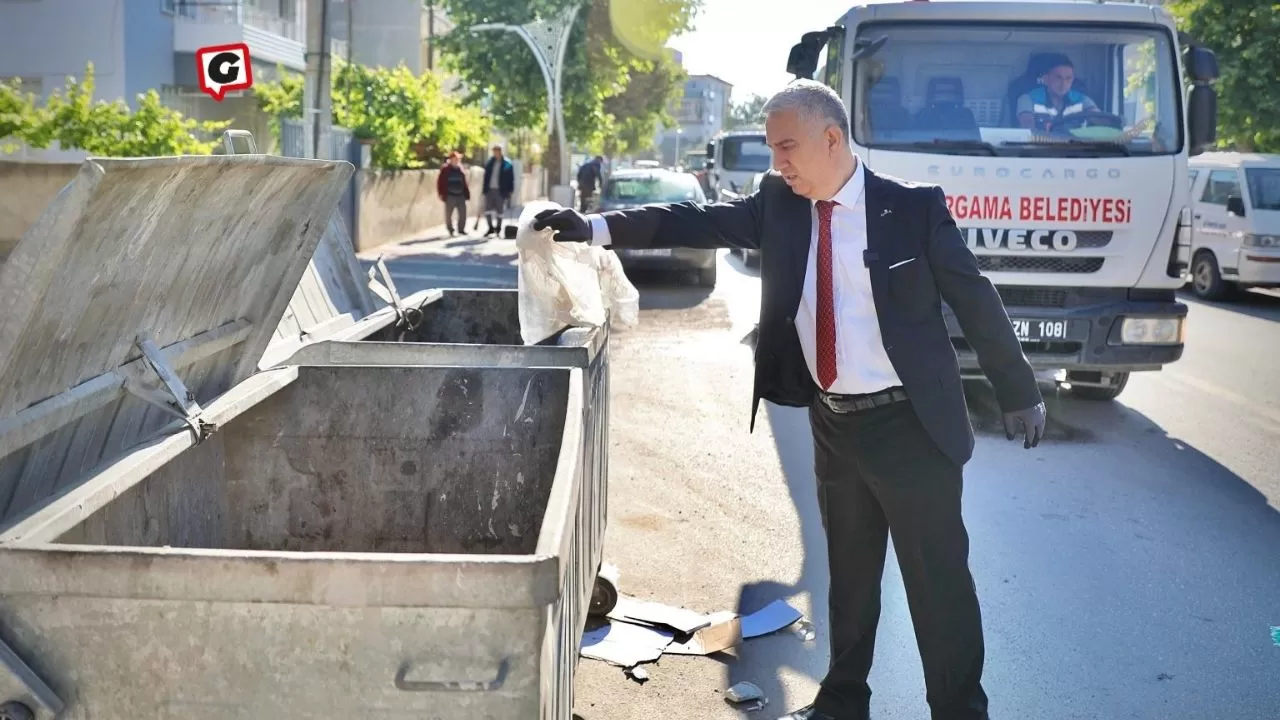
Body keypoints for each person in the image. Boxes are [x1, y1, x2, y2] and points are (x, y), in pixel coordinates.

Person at [534, 79, 1046, 720]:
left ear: (831, 139)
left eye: (786, 147)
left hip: (911, 426)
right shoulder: (779, 203)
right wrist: (598, 225)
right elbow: (695, 220)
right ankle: (841, 706)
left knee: (938, 586)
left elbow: (976, 298)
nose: (777, 162)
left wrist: (1018, 390)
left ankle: (959, 711)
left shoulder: (911, 210)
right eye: (773, 150)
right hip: (835, 425)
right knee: (850, 583)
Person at [1016, 53, 1098, 133]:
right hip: (1041, 146)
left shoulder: (1083, 100)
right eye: (1058, 78)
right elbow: (1028, 130)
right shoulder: (1027, 99)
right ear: (1046, 79)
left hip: (1077, 146)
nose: (1063, 84)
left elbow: (1101, 120)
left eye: (1068, 78)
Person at [482, 145, 516, 237]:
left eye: (496, 151)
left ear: (500, 152)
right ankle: (490, 228)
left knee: (500, 210)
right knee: (487, 210)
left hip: (501, 190)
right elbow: (485, 177)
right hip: (490, 189)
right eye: (494, 152)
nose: (495, 153)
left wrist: (510, 190)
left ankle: (498, 229)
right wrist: (484, 189)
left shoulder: (507, 164)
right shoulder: (490, 163)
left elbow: (511, 178)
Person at [436, 151, 470, 237]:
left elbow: (464, 182)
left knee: (463, 213)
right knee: (448, 214)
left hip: (460, 195)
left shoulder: (460, 169)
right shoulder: (445, 169)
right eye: (454, 159)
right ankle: (450, 229)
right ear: (450, 159)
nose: (456, 160)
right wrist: (441, 193)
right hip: (450, 195)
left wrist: (466, 193)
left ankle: (461, 229)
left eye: (457, 159)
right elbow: (440, 182)